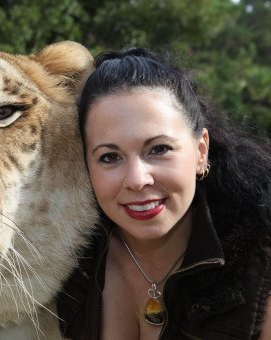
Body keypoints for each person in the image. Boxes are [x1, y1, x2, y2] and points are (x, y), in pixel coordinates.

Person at [57, 48, 271, 339]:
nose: (137, 180)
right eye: (109, 157)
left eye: (159, 149)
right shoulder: (63, 260)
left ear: (201, 151)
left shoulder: (261, 268)